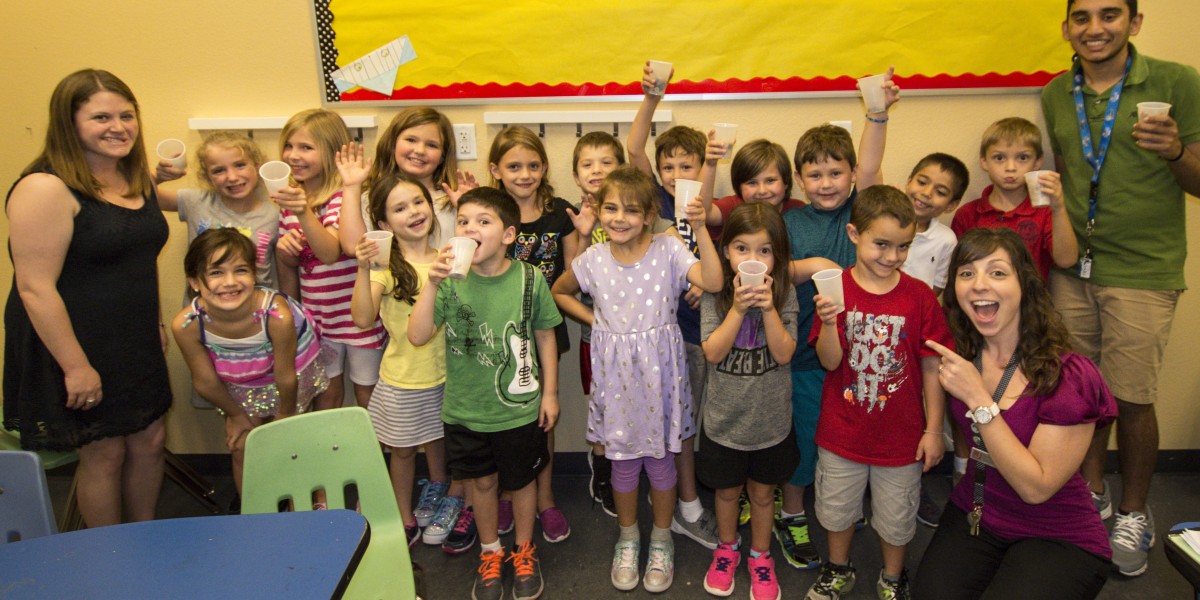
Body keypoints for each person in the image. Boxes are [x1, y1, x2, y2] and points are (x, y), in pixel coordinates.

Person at [1041, 0, 1200, 577]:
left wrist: (1177, 151)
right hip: (1073, 268)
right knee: (1078, 393)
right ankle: (1088, 494)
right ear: (1067, 29)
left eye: (1110, 15)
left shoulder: (1177, 81)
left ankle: (1133, 509)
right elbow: (1067, 169)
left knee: (1131, 396)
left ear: (1134, 23)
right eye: (1082, 17)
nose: (1095, 28)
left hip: (1144, 267)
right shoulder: (1058, 93)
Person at [3, 69, 172, 527]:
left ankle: (146, 535)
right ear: (69, 123)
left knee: (151, 438)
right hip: (75, 340)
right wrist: (76, 367)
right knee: (105, 452)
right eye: (100, 117)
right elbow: (34, 288)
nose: (118, 126)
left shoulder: (130, 178)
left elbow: (140, 258)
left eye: (126, 115)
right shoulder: (45, 188)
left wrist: (155, 322)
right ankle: (109, 557)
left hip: (131, 333)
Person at [915, 227, 1116, 599]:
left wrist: (980, 400)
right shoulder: (961, 351)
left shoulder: (1068, 374)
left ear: (1025, 285)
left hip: (1056, 531)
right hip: (979, 511)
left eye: (997, 272)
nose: (978, 285)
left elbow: (1036, 488)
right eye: (966, 273)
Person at [552, 166, 722, 593]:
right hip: (617, 378)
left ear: (649, 215)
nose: (619, 218)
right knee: (623, 462)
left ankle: (662, 538)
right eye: (611, 208)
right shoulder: (592, 260)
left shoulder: (669, 249)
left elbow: (715, 282)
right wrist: (598, 320)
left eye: (631, 210)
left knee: (662, 461)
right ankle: (629, 538)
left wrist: (700, 229)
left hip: (660, 376)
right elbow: (559, 291)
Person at [408, 186, 560, 600]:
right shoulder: (448, 283)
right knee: (482, 484)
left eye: (483, 221)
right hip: (465, 409)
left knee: (523, 480)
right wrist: (431, 285)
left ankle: (525, 550)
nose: (470, 228)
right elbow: (418, 335)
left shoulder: (529, 279)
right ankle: (491, 552)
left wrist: (550, 394)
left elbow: (545, 335)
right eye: (463, 220)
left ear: (508, 235)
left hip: (519, 408)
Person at [806, 185, 951, 600]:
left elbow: (931, 365)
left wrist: (934, 429)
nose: (891, 256)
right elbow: (830, 363)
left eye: (902, 247)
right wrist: (831, 323)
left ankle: (892, 575)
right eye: (881, 244)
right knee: (836, 510)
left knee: (897, 516)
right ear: (854, 235)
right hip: (842, 432)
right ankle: (838, 567)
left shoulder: (920, 296)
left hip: (901, 437)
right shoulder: (836, 291)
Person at [776, 110, 888, 571]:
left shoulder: (861, 211)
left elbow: (874, 166)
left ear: (852, 174)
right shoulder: (790, 223)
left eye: (836, 172)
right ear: (800, 180)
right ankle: (792, 514)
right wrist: (814, 264)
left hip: (858, 358)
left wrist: (877, 114)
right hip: (805, 355)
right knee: (803, 439)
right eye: (815, 174)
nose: (826, 183)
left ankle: (840, 507)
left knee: (849, 437)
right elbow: (774, 270)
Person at [628, 62, 721, 549]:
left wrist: (706, 282)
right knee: (679, 422)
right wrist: (652, 98)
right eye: (670, 167)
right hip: (664, 331)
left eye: (689, 166)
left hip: (704, 328)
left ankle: (697, 497)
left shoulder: (709, 208)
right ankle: (687, 503)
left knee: (702, 417)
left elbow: (716, 253)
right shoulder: (655, 204)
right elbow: (634, 149)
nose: (677, 175)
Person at [171, 229, 327, 493]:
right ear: (195, 282)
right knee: (243, 445)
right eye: (216, 272)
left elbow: (285, 376)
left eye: (240, 270)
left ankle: (307, 505)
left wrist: (285, 416)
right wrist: (236, 415)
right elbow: (206, 382)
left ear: (254, 274)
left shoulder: (276, 314)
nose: (230, 282)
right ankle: (254, 513)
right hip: (239, 381)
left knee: (292, 445)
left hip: (289, 374)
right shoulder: (187, 324)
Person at [698, 203, 800, 600]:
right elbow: (712, 352)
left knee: (761, 495)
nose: (752, 259)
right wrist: (739, 310)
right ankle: (727, 548)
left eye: (764, 250)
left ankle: (761, 556)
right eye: (742, 248)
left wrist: (769, 307)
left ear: (778, 256)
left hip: (771, 422)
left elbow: (785, 353)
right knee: (726, 493)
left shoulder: (785, 292)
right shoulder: (715, 294)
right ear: (725, 251)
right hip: (724, 422)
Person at [485, 125, 577, 544]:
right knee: (504, 417)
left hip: (543, 328)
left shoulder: (561, 212)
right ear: (496, 170)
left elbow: (574, 274)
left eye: (534, 165)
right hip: (498, 331)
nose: (525, 174)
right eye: (514, 166)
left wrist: (585, 230)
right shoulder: (489, 213)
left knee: (543, 416)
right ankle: (508, 491)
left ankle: (545, 496)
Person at [274, 109, 386, 416]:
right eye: (289, 145)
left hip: (356, 316)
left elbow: (331, 252)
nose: (294, 155)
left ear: (334, 153)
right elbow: (292, 265)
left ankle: (377, 457)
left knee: (367, 392)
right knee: (327, 392)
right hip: (319, 319)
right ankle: (330, 459)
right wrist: (285, 250)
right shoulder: (290, 201)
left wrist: (303, 213)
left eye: (306, 147)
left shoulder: (342, 198)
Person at [951, 117, 1076, 281]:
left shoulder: (1045, 211)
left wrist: (1058, 208)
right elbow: (956, 272)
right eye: (999, 158)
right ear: (984, 162)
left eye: (1022, 158)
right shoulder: (968, 214)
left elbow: (1066, 260)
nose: (1010, 168)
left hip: (1031, 303)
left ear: (1038, 162)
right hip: (981, 300)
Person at [154, 131, 280, 290]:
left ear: (257, 166)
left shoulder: (274, 216)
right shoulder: (195, 202)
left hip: (256, 310)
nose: (232, 177)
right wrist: (156, 177)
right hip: (204, 309)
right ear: (207, 177)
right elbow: (139, 196)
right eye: (219, 170)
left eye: (240, 165)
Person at [357, 106, 468, 247]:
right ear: (392, 144)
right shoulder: (370, 198)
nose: (420, 150)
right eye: (411, 140)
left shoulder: (451, 201)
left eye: (432, 145)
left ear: (442, 156)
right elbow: (354, 247)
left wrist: (467, 207)